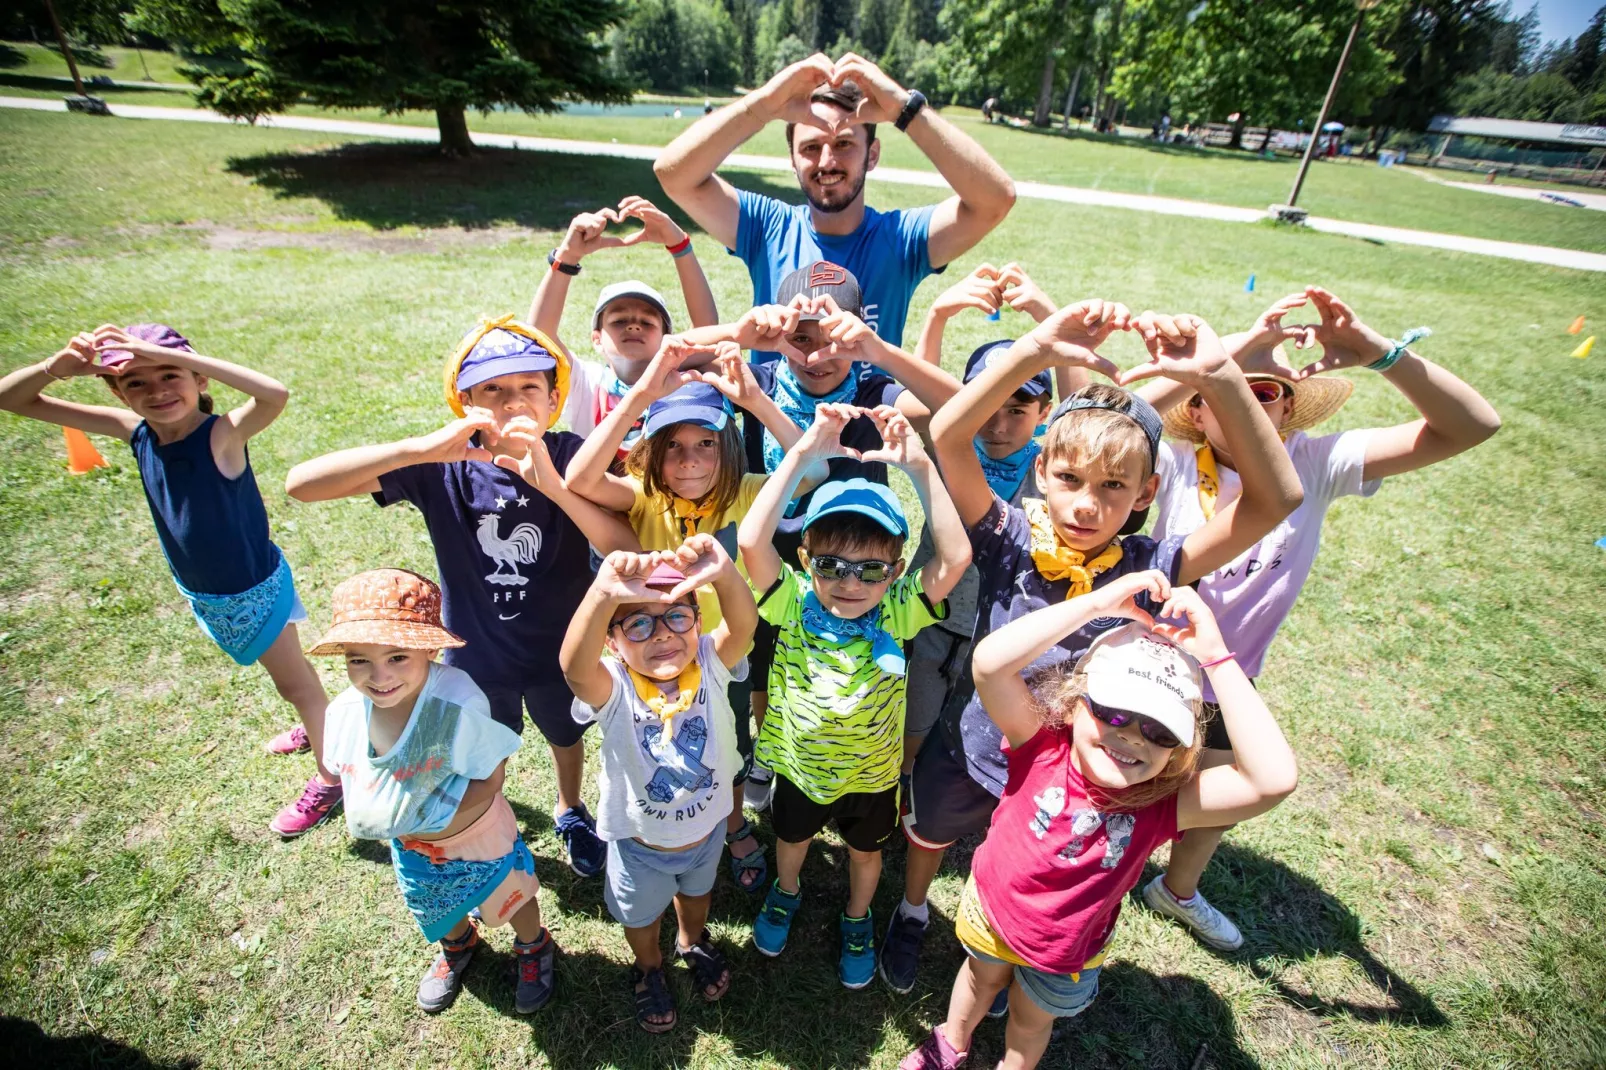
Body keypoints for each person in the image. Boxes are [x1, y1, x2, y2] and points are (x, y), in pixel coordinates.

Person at [881, 302, 1304, 996]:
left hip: (1082, 769)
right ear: (1041, 471)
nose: (1086, 505)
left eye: (1113, 488)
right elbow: (952, 435)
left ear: (1145, 494)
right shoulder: (1007, 534)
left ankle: (1015, 953)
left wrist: (1222, 375)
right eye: (1071, 480)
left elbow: (1276, 496)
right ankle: (912, 908)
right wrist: (1036, 349)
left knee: (1040, 860)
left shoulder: (1158, 558)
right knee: (930, 830)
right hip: (979, 740)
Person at [1130, 287, 1500, 950]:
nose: (1243, 404)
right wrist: (1226, 356)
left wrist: (1382, 355)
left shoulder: (1317, 463)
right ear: (1195, 406)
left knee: (1226, 789)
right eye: (1222, 393)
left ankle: (1176, 890)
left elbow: (1473, 426)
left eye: (1263, 394)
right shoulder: (1175, 460)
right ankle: (1108, 867)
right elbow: (1121, 419)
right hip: (1145, 661)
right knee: (1128, 772)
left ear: (1290, 410)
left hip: (1230, 674)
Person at [285, 318, 640, 878]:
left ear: (553, 398)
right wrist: (416, 448)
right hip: (476, 656)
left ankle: (569, 808)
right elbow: (301, 485)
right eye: (492, 390)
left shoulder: (574, 453)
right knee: (480, 749)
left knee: (565, 735)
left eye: (528, 387)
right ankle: (488, 817)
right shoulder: (442, 463)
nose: (512, 402)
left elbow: (627, 548)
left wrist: (552, 482)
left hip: (563, 649)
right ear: (465, 401)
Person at [899, 574, 1298, 1070]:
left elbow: (1273, 779)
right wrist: (1092, 606)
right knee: (979, 979)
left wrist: (1217, 656)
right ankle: (950, 1044)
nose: (1130, 736)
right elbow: (989, 664)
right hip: (993, 914)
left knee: (1029, 1023)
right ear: (1072, 704)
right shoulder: (1039, 746)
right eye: (1111, 711)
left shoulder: (1162, 803)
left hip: (1069, 951)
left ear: (1180, 753)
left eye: (1158, 730)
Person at [0, 324, 342, 837]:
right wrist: (58, 368)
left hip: (252, 590)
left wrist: (148, 352)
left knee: (298, 685)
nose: (157, 390)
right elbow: (13, 399)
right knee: (287, 681)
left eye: (169, 374)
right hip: (210, 594)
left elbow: (274, 394)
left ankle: (333, 774)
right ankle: (319, 730)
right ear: (117, 390)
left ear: (199, 378)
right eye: (136, 382)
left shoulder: (222, 435)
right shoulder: (132, 430)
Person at [682, 262, 962, 809]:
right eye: (799, 338)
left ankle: (861, 754)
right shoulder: (757, 382)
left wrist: (878, 351)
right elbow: (668, 358)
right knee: (765, 659)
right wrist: (738, 334)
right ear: (778, 336)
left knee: (847, 670)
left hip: (855, 572)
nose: (815, 356)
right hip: (770, 560)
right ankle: (772, 749)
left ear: (856, 331)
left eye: (833, 338)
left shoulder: (875, 389)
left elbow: (961, 408)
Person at [563, 339, 814, 894]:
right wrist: (640, 397)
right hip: (647, 651)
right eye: (672, 445)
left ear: (728, 446)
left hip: (720, 648)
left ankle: (730, 821)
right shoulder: (645, 496)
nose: (690, 460)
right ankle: (656, 824)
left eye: (705, 443)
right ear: (651, 451)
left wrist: (756, 403)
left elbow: (810, 472)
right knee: (650, 745)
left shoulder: (745, 492)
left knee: (728, 743)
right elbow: (579, 480)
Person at [737, 405, 971, 990]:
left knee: (866, 856)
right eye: (832, 565)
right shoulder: (790, 601)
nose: (850, 582)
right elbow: (749, 538)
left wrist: (919, 465)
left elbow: (957, 557)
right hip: (797, 770)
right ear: (804, 560)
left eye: (871, 569)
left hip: (872, 779)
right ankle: (785, 893)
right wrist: (803, 452)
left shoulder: (899, 608)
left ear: (895, 572)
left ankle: (858, 917)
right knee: (791, 842)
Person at [654, 52, 1016, 361]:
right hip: (773, 439)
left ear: (872, 155)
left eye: (843, 144)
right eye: (811, 148)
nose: (827, 161)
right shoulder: (767, 227)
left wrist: (906, 110)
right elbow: (674, 175)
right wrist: (763, 104)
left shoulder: (900, 239)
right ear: (792, 160)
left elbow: (994, 201)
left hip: (872, 436)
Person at [308, 568, 555, 1016]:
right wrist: (410, 830)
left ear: (430, 648)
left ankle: (533, 946)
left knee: (510, 894)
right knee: (433, 902)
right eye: (359, 660)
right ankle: (458, 944)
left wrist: (441, 825)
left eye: (397, 657)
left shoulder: (455, 703)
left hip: (477, 835)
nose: (378, 676)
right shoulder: (347, 709)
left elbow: (490, 776)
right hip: (411, 845)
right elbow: (343, 767)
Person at [561, 537, 756, 1033]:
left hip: (708, 834)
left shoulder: (709, 664)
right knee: (640, 917)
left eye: (676, 616)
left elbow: (745, 626)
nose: (663, 634)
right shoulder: (614, 685)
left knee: (697, 897)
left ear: (697, 619)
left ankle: (691, 941)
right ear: (613, 642)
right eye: (639, 623)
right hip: (640, 844)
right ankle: (648, 967)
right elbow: (572, 668)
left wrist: (725, 572)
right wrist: (602, 592)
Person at [902, 264, 1063, 777]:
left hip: (998, 633)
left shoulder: (1054, 466)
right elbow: (911, 399)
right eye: (986, 404)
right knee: (912, 719)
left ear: (1045, 410)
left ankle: (952, 794)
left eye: (1019, 408)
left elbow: (1087, 408)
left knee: (974, 730)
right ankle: (905, 787)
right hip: (929, 619)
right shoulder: (950, 444)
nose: (997, 424)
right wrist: (937, 316)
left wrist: (1046, 316)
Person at [530, 196, 720, 457]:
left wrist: (680, 245)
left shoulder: (677, 377)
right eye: (619, 321)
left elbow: (706, 332)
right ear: (596, 339)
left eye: (647, 321)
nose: (633, 326)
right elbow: (540, 337)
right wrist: (567, 257)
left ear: (668, 339)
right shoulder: (587, 383)